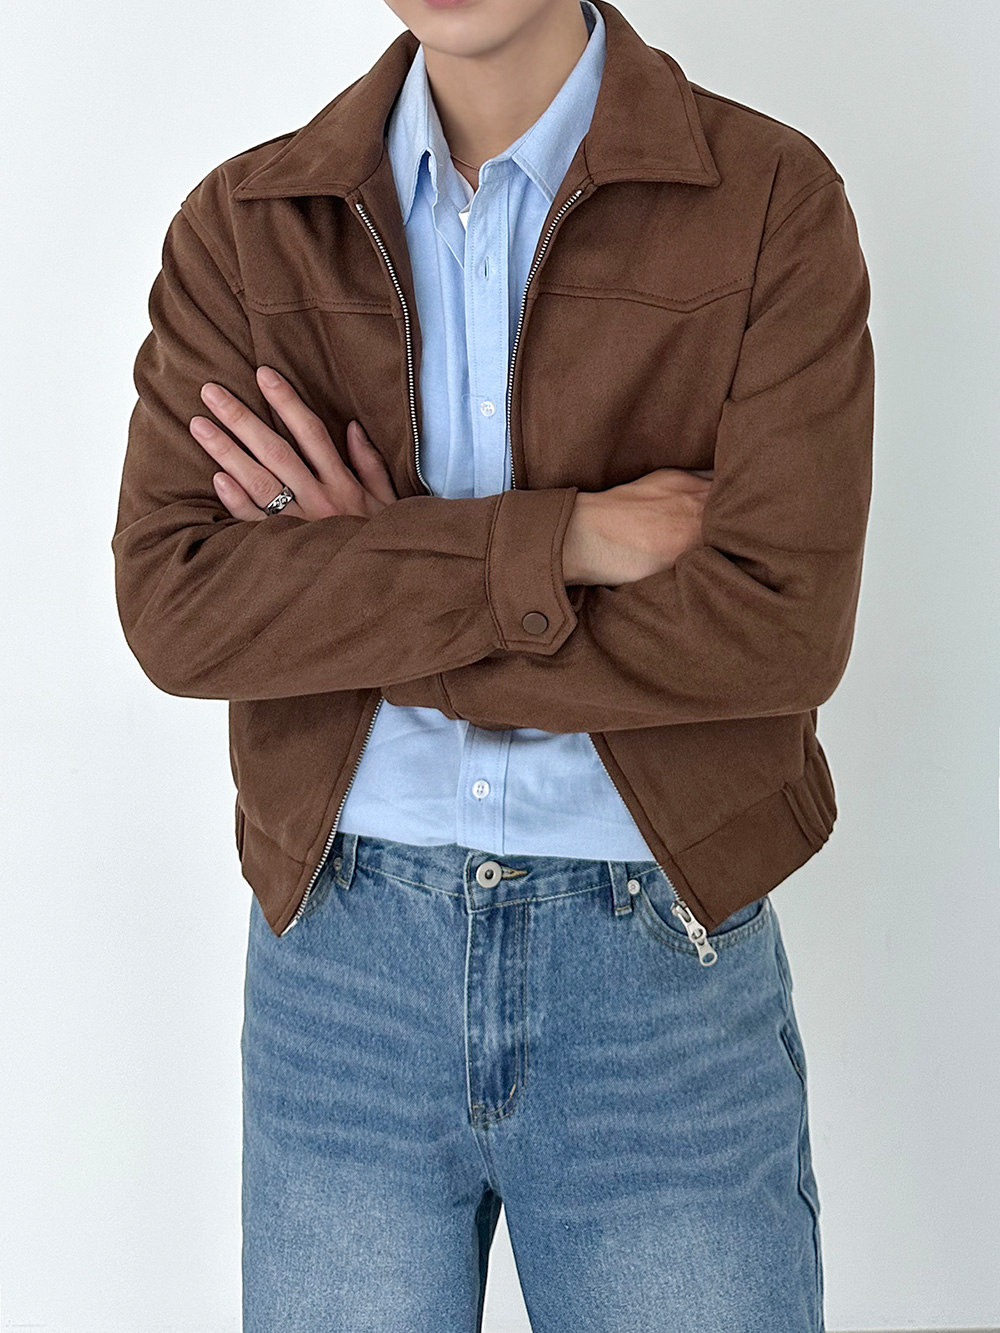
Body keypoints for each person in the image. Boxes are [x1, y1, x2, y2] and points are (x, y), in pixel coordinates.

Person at [112, 0, 874, 1327]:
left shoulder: (767, 199)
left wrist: (371, 577)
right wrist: (572, 538)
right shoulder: (244, 227)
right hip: (340, 967)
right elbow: (178, 608)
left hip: (655, 962)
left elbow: (776, 625)